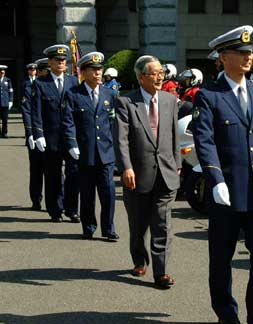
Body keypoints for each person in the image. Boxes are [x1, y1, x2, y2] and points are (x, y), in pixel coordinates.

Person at [191, 25, 253, 324]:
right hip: (226, 190)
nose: (248, 57)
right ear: (223, 57)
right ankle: (226, 312)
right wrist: (214, 178)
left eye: (250, 53)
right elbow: (205, 140)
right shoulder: (209, 95)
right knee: (221, 255)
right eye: (241, 53)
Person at [115, 55, 181, 289]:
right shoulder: (125, 102)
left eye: (161, 72)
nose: (159, 76)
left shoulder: (170, 100)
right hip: (137, 174)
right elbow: (121, 139)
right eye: (154, 73)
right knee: (138, 223)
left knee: (162, 224)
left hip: (166, 172)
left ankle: (161, 272)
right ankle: (140, 259)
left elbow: (174, 135)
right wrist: (126, 167)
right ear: (141, 76)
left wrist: (177, 163)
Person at [62, 52, 119, 241]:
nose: (98, 73)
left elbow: (114, 123)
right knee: (87, 193)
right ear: (83, 72)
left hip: (106, 153)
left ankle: (108, 228)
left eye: (100, 69)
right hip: (84, 152)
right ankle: (88, 226)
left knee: (108, 192)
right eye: (93, 70)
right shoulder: (73, 94)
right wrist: (72, 143)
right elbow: (68, 121)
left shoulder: (109, 94)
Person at [31, 44, 80, 223]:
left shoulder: (73, 82)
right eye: (57, 60)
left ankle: (72, 209)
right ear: (50, 63)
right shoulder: (40, 83)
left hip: (71, 137)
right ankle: (55, 209)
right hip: (51, 137)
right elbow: (35, 111)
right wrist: (38, 134)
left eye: (63, 60)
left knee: (74, 173)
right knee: (53, 175)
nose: (61, 63)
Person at [21, 62, 45, 210]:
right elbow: (26, 110)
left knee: (54, 171)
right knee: (36, 170)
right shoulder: (28, 86)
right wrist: (30, 133)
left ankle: (55, 204)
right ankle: (36, 199)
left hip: (50, 135)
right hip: (35, 135)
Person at [0, 65, 13, 138]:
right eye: (1, 73)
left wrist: (10, 100)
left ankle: (4, 133)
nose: (2, 74)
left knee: (5, 119)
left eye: (3, 73)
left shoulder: (7, 80)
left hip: (5, 102)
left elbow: (11, 91)